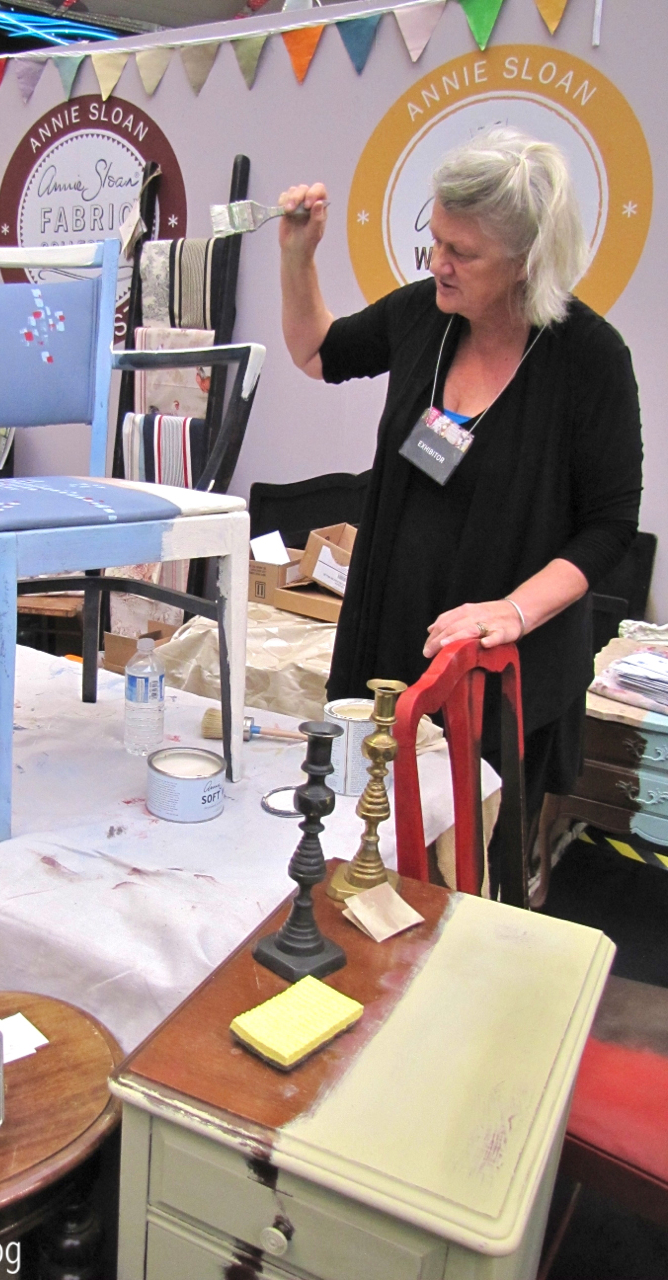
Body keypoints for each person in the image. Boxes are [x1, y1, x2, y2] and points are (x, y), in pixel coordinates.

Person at [279, 128, 643, 897]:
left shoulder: (590, 358)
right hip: (390, 650)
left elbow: (610, 526)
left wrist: (512, 611)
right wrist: (298, 257)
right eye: (436, 241)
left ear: (527, 260)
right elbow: (318, 353)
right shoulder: (424, 316)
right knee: (367, 862)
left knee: (470, 885)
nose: (437, 263)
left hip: (501, 676)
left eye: (462, 252)